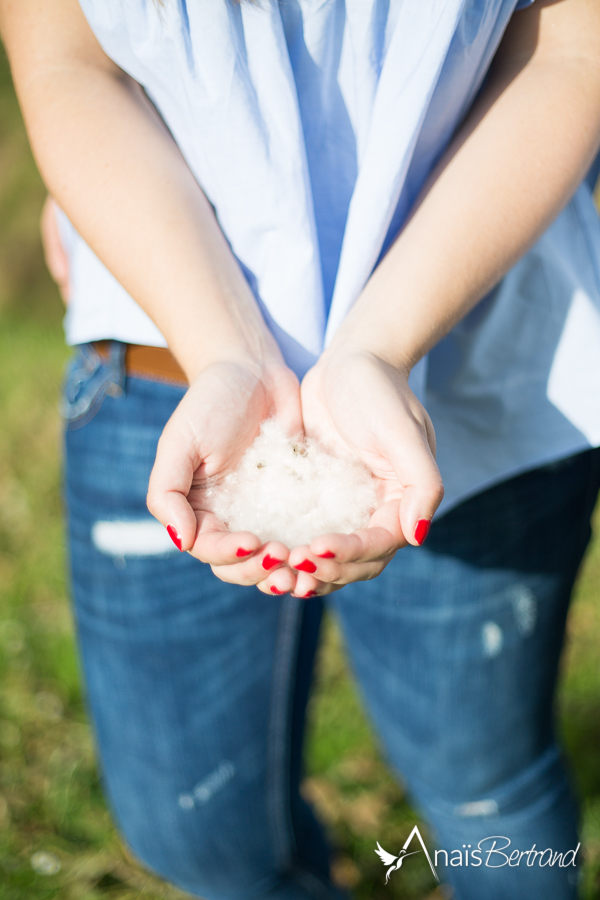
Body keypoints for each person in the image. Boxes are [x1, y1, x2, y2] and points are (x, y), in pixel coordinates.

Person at [2, 0, 600, 897]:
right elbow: (68, 64)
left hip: (482, 356)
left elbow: (570, 50)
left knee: (488, 791)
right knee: (191, 825)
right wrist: (225, 350)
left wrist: (378, 345)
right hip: (164, 346)